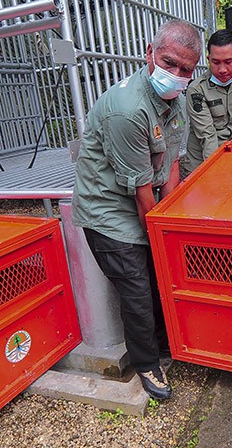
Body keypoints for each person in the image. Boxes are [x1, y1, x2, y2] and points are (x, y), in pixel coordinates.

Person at [71, 20, 202, 401]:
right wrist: (159, 234)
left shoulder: (177, 103)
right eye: (169, 62)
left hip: (142, 201)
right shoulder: (127, 111)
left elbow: (173, 164)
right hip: (109, 210)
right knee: (138, 290)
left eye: (186, 70)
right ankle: (147, 363)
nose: (176, 75)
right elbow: (142, 190)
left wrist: (171, 220)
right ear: (149, 53)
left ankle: (167, 344)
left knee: (163, 276)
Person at [183, 29, 232, 175]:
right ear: (209, 59)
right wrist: (217, 169)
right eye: (216, 62)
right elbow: (207, 135)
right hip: (204, 161)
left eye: (228, 62)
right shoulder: (197, 89)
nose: (222, 69)